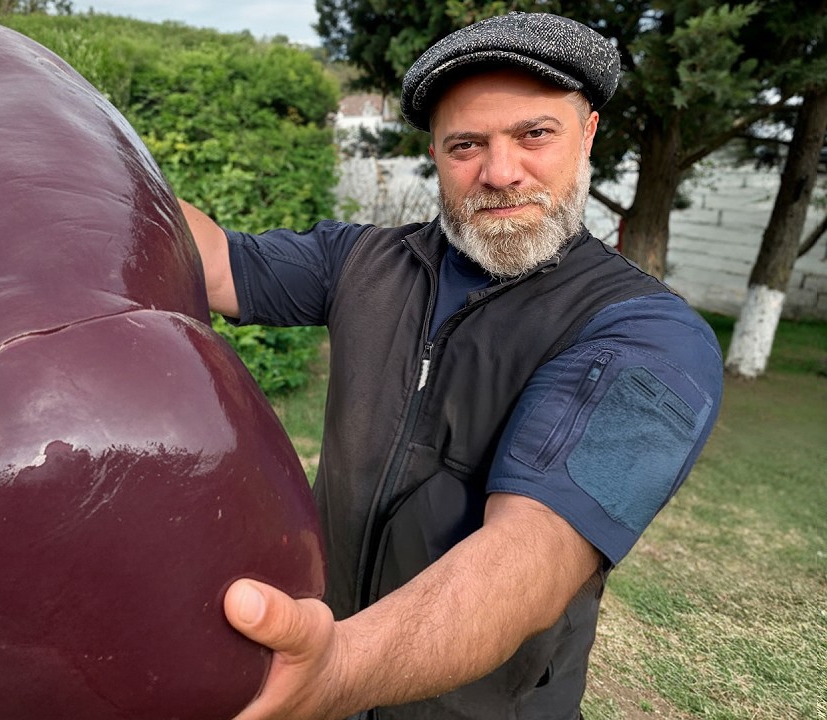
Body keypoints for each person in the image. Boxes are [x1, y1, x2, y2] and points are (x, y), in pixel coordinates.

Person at [177, 12, 724, 720]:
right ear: (434, 151)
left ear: (588, 134)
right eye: (467, 144)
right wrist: (77, 148)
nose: (500, 173)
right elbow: (215, 263)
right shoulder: (362, 262)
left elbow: (534, 550)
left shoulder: (649, 335)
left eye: (535, 134)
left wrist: (339, 669)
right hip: (324, 657)